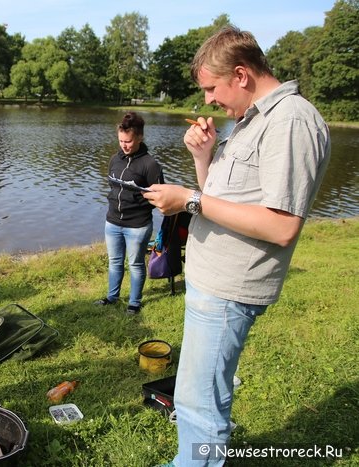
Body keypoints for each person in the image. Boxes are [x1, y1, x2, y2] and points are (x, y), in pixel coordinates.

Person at [143, 26, 330, 467]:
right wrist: (203, 157)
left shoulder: (290, 121)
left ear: (241, 74)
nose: (208, 99)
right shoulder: (254, 120)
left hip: (230, 289)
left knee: (198, 403)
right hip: (213, 283)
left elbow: (282, 226)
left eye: (211, 87)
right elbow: (224, 204)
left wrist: (188, 199)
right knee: (201, 389)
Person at [94, 112, 163, 314]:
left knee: (135, 263)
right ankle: (112, 297)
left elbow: (159, 196)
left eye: (129, 141)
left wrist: (140, 199)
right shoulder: (115, 159)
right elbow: (112, 187)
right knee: (115, 262)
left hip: (138, 225)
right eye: (121, 140)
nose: (124, 145)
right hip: (113, 221)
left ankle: (134, 302)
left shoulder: (150, 164)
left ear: (140, 137)